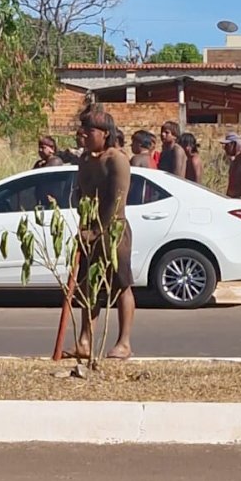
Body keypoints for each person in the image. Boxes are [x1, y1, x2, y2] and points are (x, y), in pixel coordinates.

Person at [75, 106, 135, 360]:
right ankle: (85, 341)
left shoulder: (116, 159)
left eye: (89, 131)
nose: (83, 135)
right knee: (88, 287)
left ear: (105, 133)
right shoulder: (85, 160)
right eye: (82, 130)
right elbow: (81, 195)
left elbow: (116, 202)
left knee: (121, 285)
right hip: (89, 233)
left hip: (114, 232)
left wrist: (99, 231)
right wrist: (83, 229)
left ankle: (124, 342)